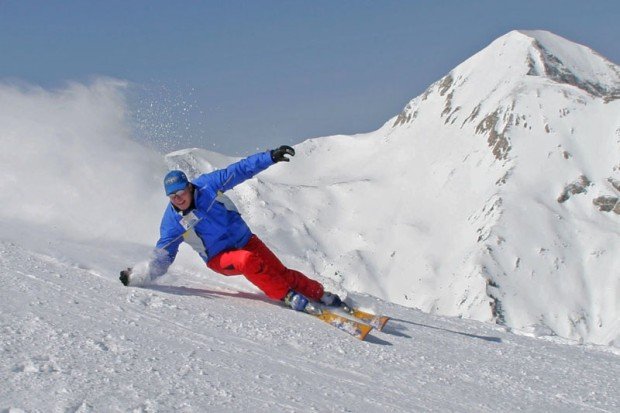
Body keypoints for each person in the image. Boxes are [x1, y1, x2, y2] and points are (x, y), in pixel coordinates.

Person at [119, 145, 342, 312]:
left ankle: (319, 293)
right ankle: (287, 296)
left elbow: (239, 170)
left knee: (279, 271)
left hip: (245, 239)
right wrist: (137, 275)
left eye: (181, 193)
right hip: (220, 257)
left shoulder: (208, 186)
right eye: (172, 197)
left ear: (189, 187)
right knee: (247, 261)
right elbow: (162, 256)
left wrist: (270, 157)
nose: (178, 199)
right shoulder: (173, 223)